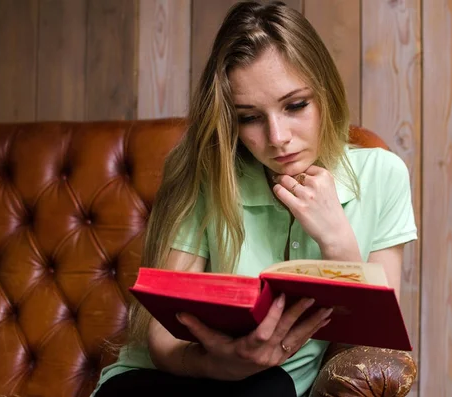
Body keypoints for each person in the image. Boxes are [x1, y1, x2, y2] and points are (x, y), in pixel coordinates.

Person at [92, 1, 417, 396]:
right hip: (172, 379)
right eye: (249, 117)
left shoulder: (382, 176)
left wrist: (338, 242)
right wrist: (217, 364)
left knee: (273, 387)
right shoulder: (211, 175)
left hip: (270, 388)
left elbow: (376, 340)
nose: (277, 136)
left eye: (295, 105)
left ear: (326, 93)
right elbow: (160, 339)